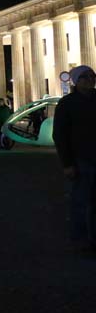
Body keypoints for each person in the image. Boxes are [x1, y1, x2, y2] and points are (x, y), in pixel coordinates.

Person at [53, 65, 96, 255]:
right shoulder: (67, 103)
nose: (90, 80)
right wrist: (67, 163)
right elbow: (60, 135)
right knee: (80, 202)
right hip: (80, 159)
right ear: (76, 81)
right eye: (85, 77)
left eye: (92, 76)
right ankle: (80, 241)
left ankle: (93, 239)